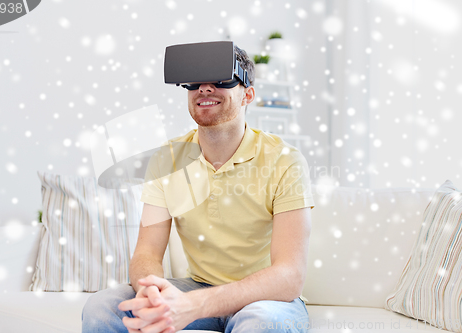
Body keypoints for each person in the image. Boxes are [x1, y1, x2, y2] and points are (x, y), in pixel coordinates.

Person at [82, 43, 315, 333]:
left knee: (260, 323)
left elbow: (289, 276)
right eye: (195, 82)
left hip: (264, 299)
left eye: (221, 80)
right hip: (197, 285)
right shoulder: (166, 159)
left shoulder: (284, 160)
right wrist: (152, 291)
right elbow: (147, 253)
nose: (205, 89)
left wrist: (198, 305)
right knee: (103, 308)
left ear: (248, 95)